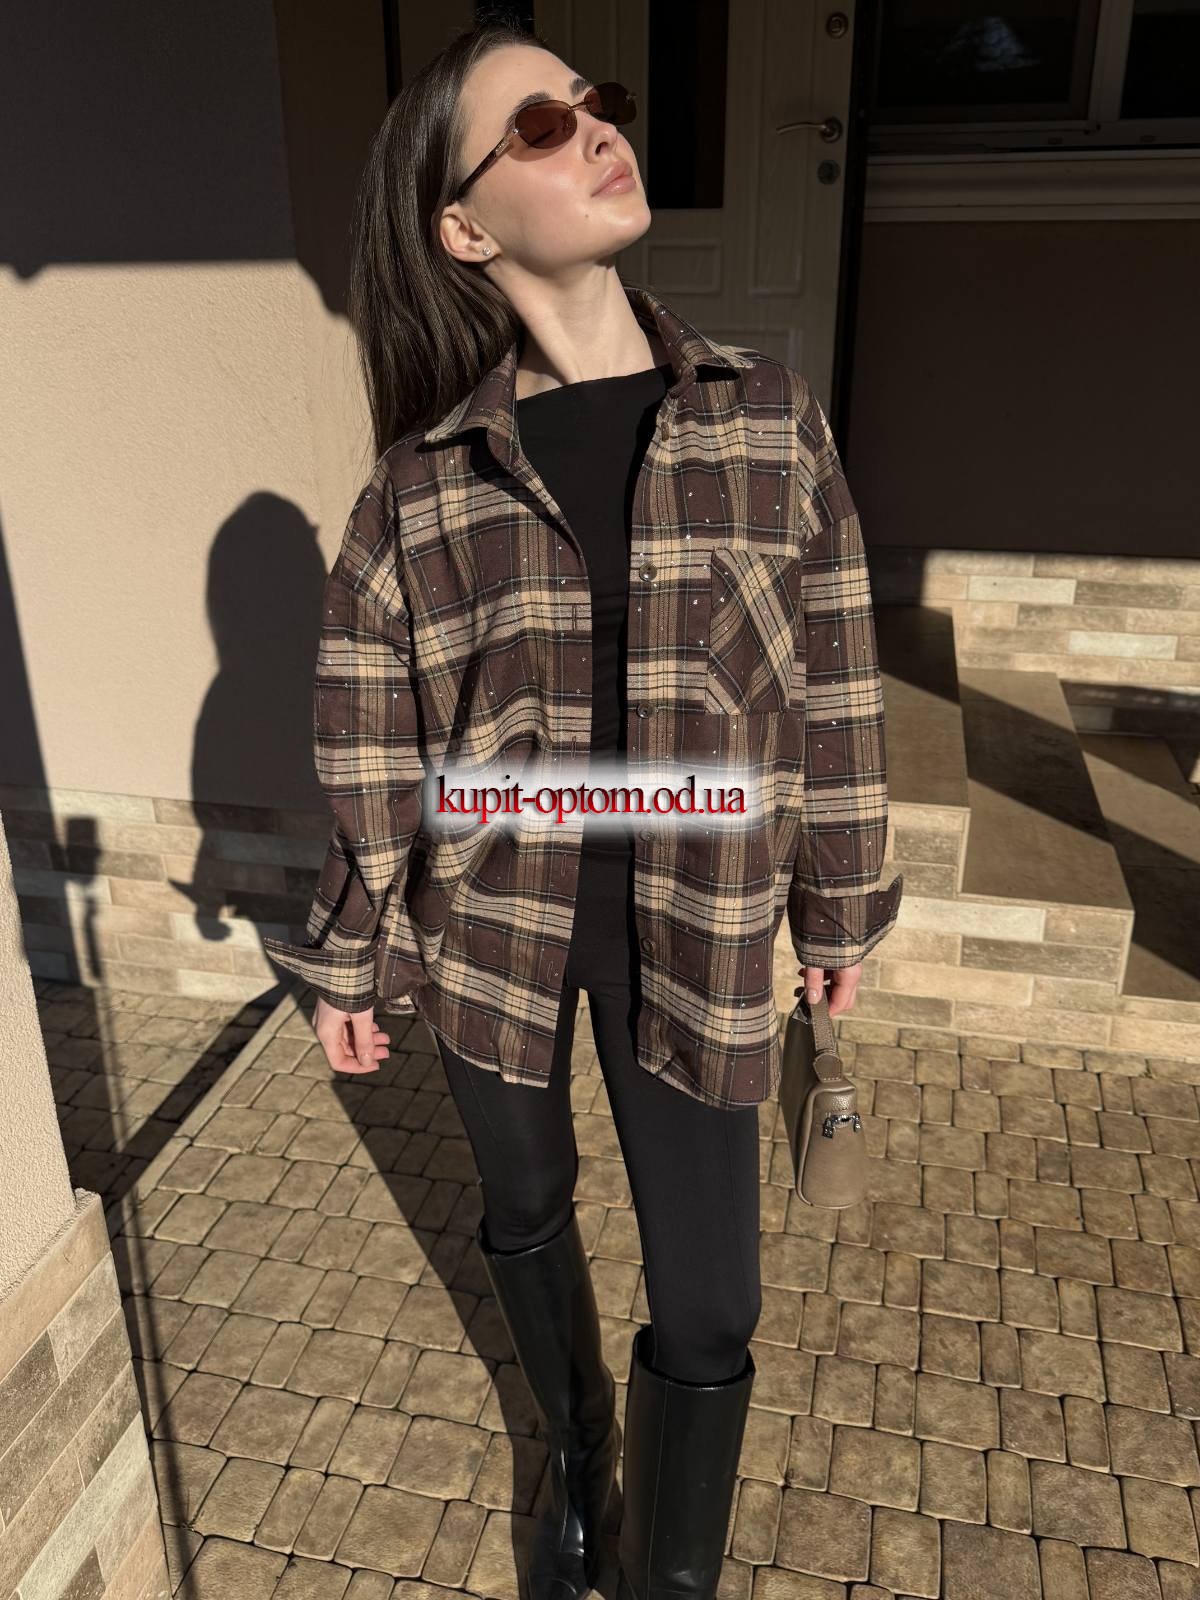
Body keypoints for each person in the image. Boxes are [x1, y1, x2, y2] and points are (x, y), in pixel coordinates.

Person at [262, 18, 903, 1600]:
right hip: (496, 922)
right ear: (466, 229)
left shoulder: (770, 420)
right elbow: (370, 731)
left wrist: (839, 901)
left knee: (714, 1301)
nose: (599, 128)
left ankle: (669, 1576)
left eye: (594, 102)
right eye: (539, 124)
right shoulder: (419, 487)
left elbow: (834, 681)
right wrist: (352, 950)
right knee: (526, 1204)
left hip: (700, 914)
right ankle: (572, 1449)